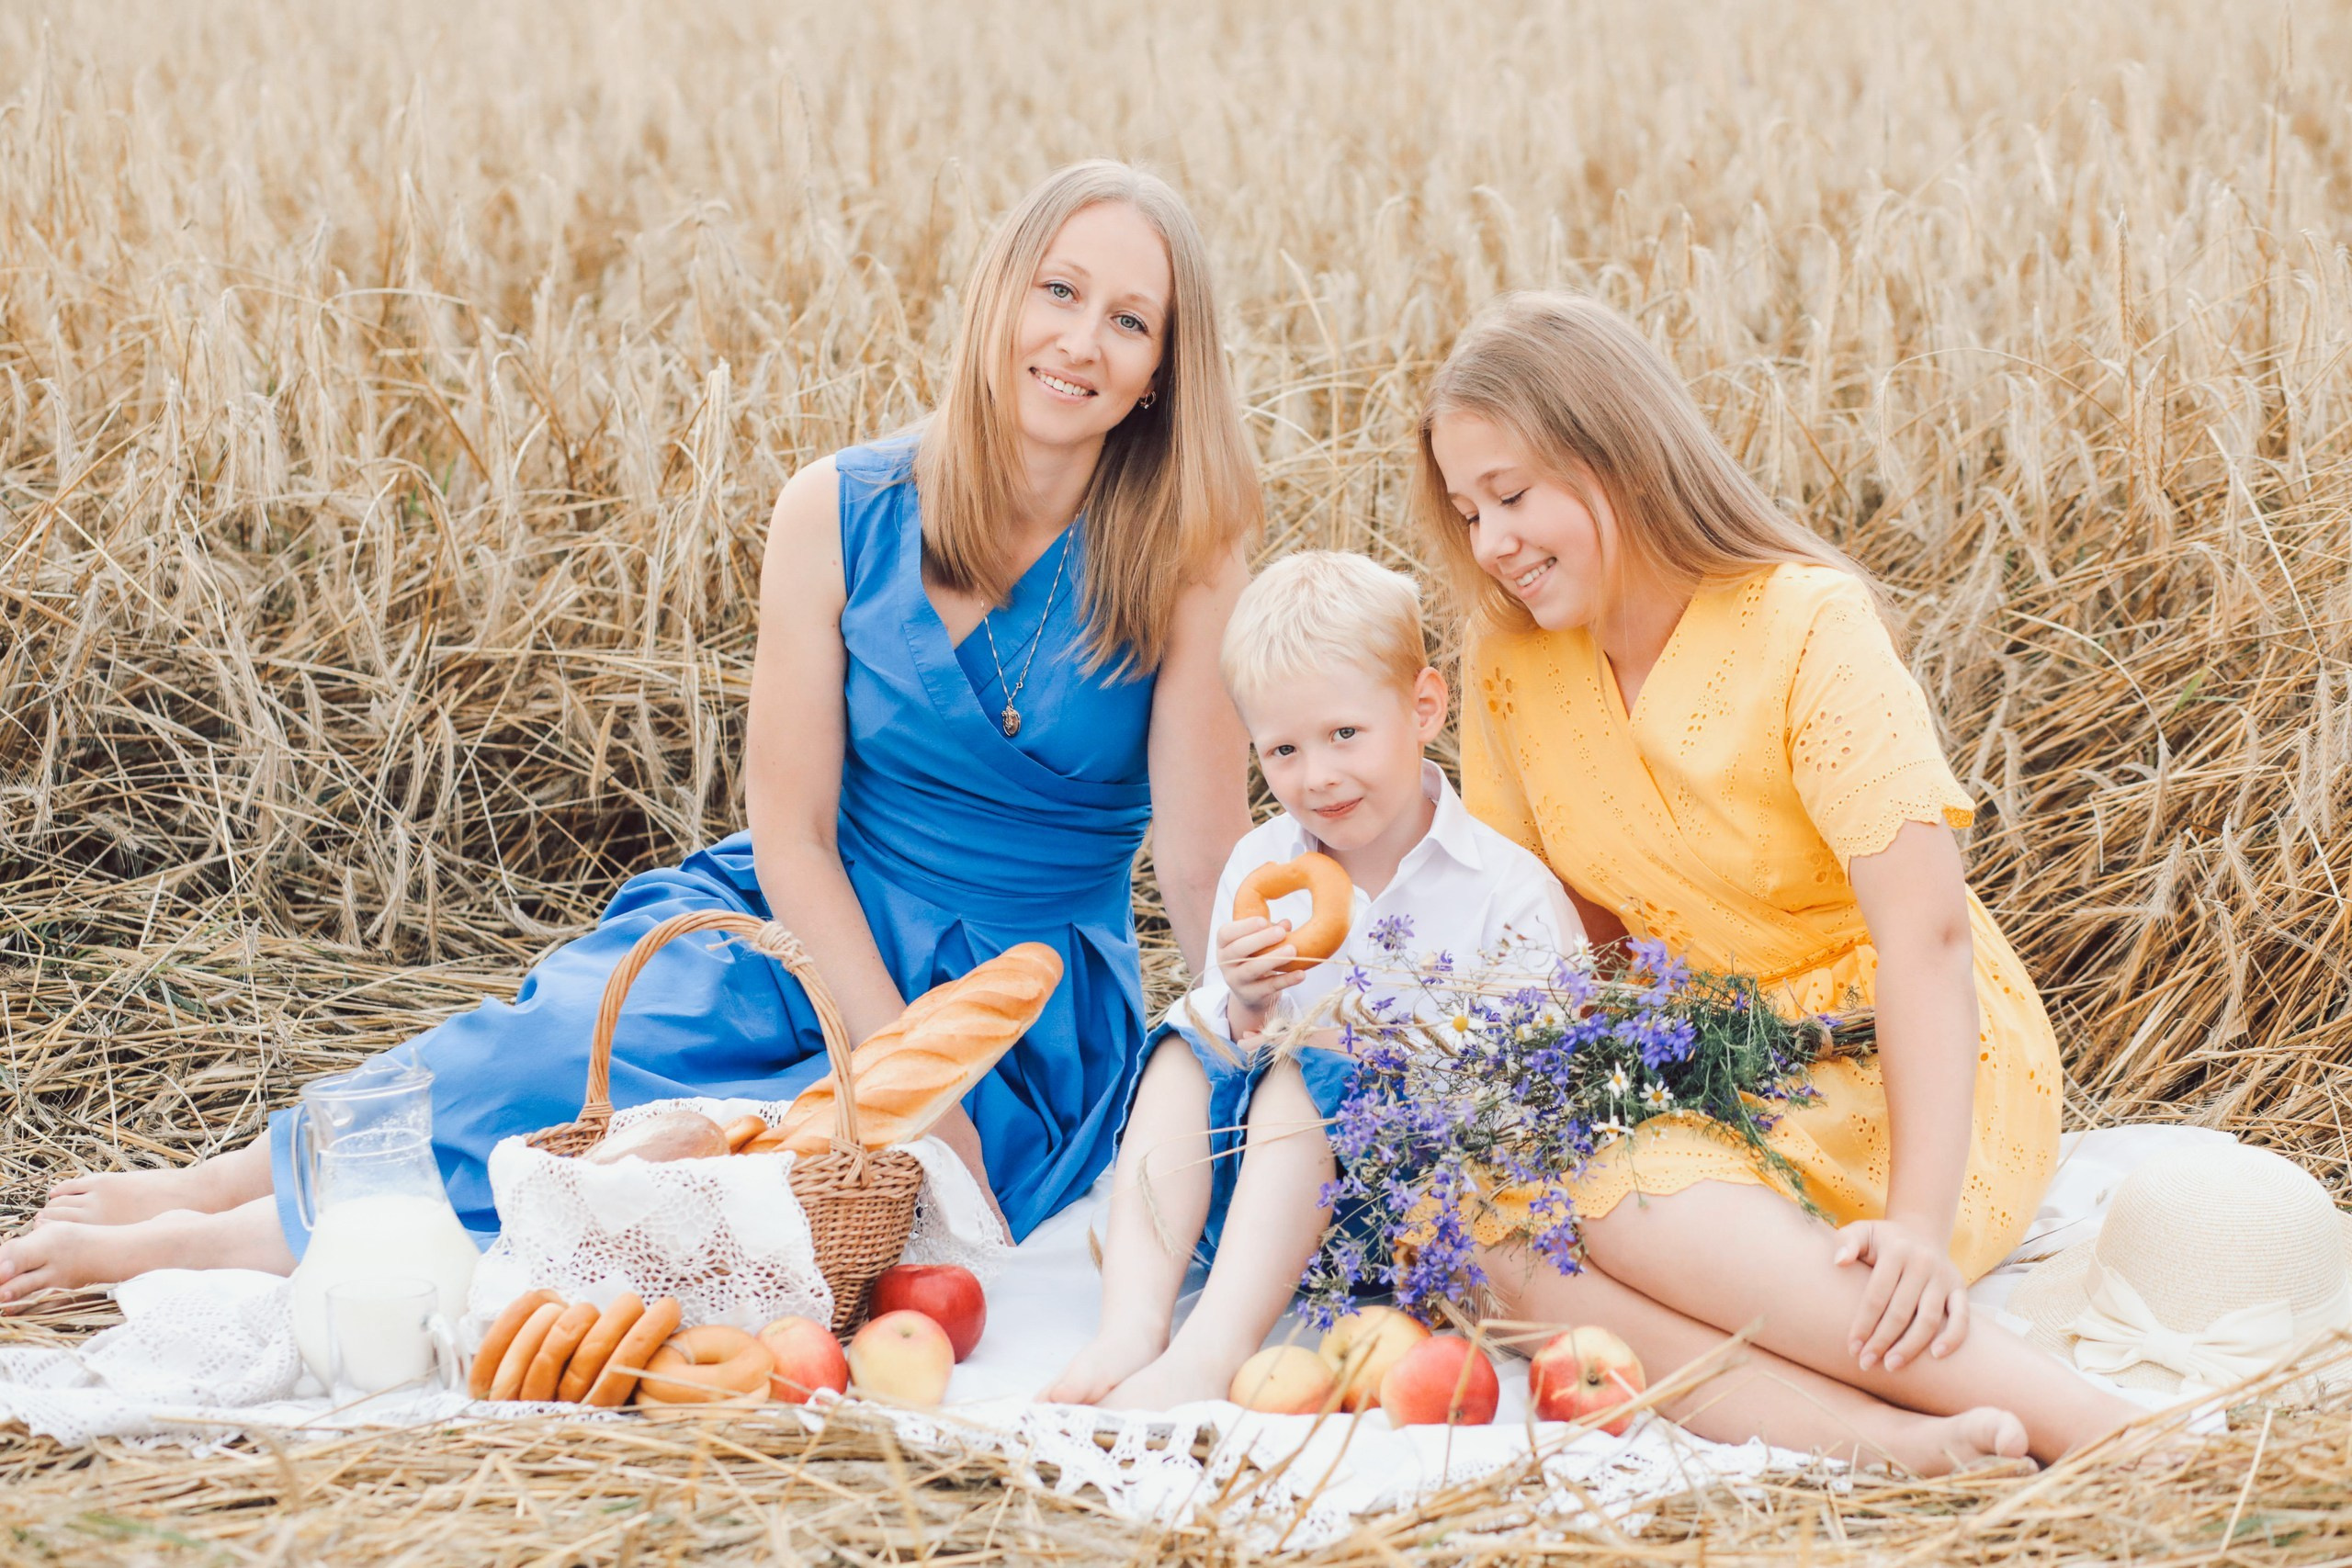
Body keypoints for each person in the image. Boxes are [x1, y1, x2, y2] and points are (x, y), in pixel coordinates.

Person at [0, 160, 1261, 1299]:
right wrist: (893, 1055)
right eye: (1058, 290)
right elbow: (790, 829)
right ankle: (225, 1181)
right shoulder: (835, 509)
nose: (1080, 340)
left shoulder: (1187, 556)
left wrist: (1259, 1074)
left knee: (715, 1167)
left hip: (1017, 1000)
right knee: (553, 1051)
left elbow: (1203, 864)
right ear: (1000, 298)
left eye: (1129, 320)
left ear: (1162, 370)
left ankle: (225, 1244)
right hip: (801, 917)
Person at [1417, 291, 2142, 1474]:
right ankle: (1886, 1443)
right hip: (1695, 1045)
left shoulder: (1805, 623)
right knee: (1482, 1230)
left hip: (1889, 1048)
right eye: (1467, 511)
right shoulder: (1507, 657)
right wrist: (1554, 1103)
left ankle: (2098, 1428)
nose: (1491, 540)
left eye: (1513, 495)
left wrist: (1916, 1224)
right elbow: (1570, 941)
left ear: (1621, 458)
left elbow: (1925, 938)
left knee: (1622, 1202)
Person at [1046, 551, 1582, 1407]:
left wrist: (1364, 1060)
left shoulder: (1506, 889)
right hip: (1250, 1212)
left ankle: (1211, 1352)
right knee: (1183, 1046)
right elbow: (1233, 1056)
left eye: (1344, 735)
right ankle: (1131, 1326)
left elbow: (1541, 1098)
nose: (1317, 776)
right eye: (1284, 749)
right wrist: (1245, 1000)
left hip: (1412, 1218)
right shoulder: (1263, 864)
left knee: (1311, 1068)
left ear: (1424, 707)